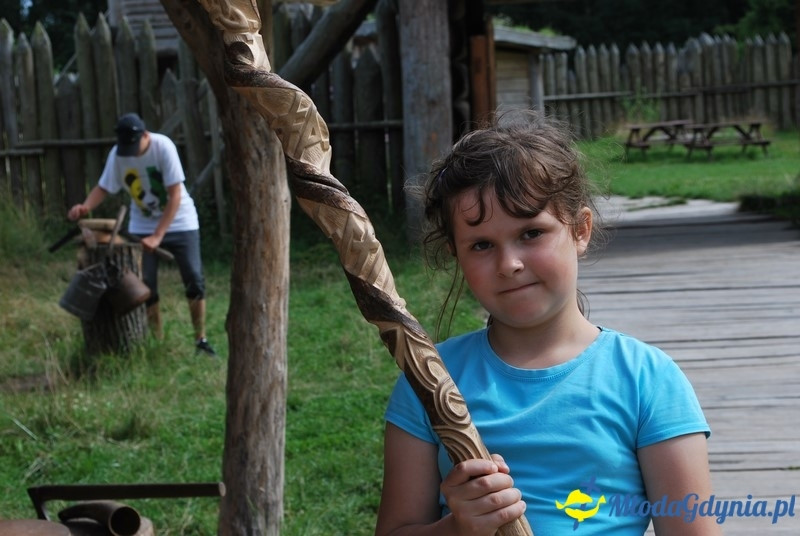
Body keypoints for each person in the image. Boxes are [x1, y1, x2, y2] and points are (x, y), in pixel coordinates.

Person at [375, 112, 720, 535]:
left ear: (580, 229)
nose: (509, 264)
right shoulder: (428, 381)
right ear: (456, 254)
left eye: (531, 233)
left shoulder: (647, 380)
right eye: (482, 244)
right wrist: (458, 527)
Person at [68, 112, 216, 356]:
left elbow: (175, 195)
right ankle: (156, 342)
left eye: (135, 145)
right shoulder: (118, 154)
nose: (131, 152)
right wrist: (86, 207)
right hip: (141, 227)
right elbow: (105, 186)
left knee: (194, 279)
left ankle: (201, 339)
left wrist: (158, 235)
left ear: (146, 135)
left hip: (181, 222)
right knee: (145, 285)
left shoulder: (163, 147)